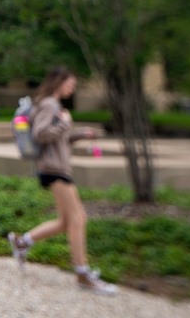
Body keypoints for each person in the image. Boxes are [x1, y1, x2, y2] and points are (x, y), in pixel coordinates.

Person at [7, 67, 116, 295]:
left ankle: (22, 242)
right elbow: (40, 133)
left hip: (55, 166)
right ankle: (82, 274)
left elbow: (56, 138)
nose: (72, 88)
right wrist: (66, 123)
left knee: (66, 221)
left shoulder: (50, 105)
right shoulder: (49, 104)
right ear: (59, 82)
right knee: (79, 218)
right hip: (55, 169)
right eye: (70, 84)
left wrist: (79, 133)